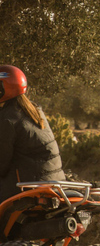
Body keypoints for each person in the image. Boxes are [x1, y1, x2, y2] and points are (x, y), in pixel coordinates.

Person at [0, 65, 66, 204]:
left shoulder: (8, 119)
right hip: (54, 181)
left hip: (28, 184)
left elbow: (2, 164)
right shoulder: (34, 110)